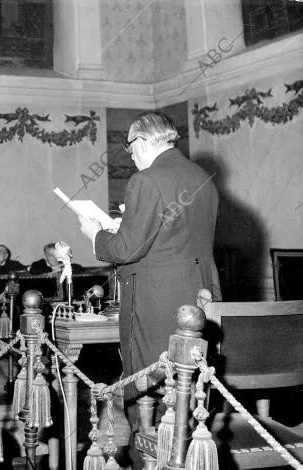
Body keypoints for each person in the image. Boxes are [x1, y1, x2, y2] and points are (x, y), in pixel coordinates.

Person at [77, 112, 221, 469]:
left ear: (142, 142)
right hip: (200, 298)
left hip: (156, 299)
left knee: (145, 389)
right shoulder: (202, 176)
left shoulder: (146, 179)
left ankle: (147, 463)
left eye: (131, 148)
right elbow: (175, 238)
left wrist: (94, 234)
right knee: (188, 390)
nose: (131, 155)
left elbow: (127, 250)